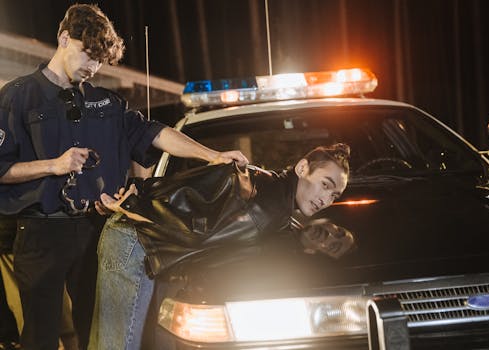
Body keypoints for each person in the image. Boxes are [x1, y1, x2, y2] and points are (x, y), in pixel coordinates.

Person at [0, 4, 247, 350]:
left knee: (99, 336)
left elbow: (155, 134)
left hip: (96, 233)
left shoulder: (108, 103)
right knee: (39, 337)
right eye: (89, 55)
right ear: (63, 38)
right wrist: (53, 166)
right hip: (41, 233)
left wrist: (214, 155)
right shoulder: (16, 97)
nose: (93, 68)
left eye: (100, 61)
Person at [88, 143, 352, 350]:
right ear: (303, 168)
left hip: (137, 235)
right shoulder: (270, 206)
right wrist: (134, 203)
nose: (325, 199)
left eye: (334, 195)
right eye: (325, 185)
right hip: (135, 239)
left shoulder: (273, 190)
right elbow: (201, 240)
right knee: (118, 344)